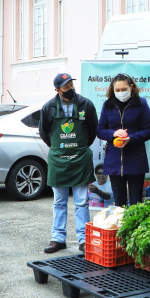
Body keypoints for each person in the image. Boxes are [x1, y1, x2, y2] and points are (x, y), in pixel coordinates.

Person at [39, 73, 98, 254]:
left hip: (80, 158)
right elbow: (44, 132)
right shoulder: (48, 107)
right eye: (66, 87)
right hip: (58, 160)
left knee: (81, 202)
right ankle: (58, 239)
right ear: (57, 90)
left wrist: (79, 147)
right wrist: (59, 148)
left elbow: (92, 130)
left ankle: (83, 239)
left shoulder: (85, 104)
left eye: (71, 84)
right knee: (59, 202)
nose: (71, 88)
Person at [96, 73, 150, 207]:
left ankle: (135, 228)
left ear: (131, 87)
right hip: (114, 161)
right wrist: (113, 133)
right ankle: (120, 228)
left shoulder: (141, 103)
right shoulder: (107, 105)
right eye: (117, 90)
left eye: (124, 89)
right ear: (112, 90)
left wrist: (131, 138)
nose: (121, 93)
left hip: (136, 160)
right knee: (119, 204)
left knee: (136, 203)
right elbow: (100, 130)